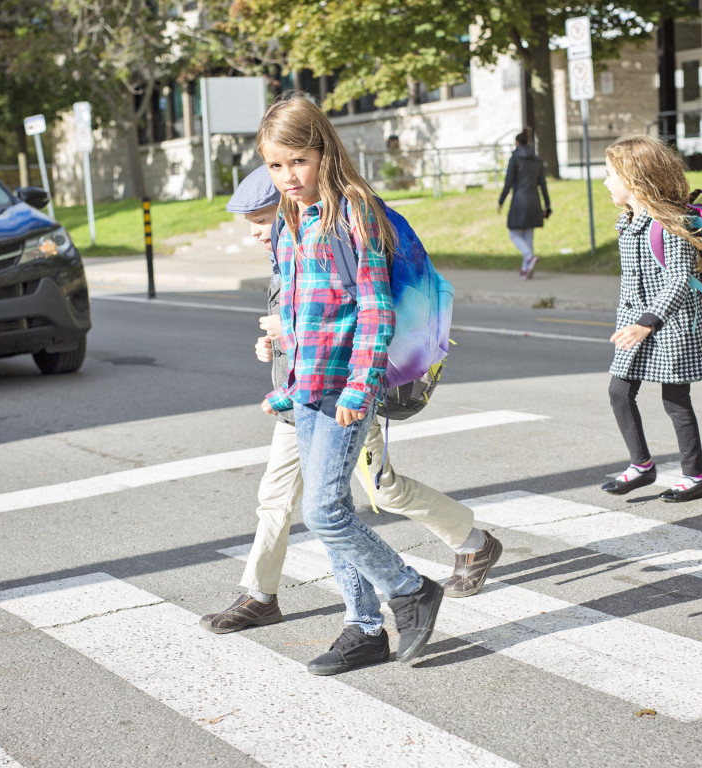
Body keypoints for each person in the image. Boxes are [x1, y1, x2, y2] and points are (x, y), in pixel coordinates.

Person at [201, 167, 502, 648]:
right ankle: (263, 595)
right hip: (299, 399)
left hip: (344, 395)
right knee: (277, 500)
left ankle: (472, 544)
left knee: (379, 491)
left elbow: (355, 316)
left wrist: (290, 336)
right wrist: (273, 344)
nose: (255, 232)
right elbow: (300, 322)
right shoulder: (286, 250)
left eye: (259, 219)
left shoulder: (332, 232)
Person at [252, 93, 448, 675]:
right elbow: (300, 307)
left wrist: (361, 388)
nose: (288, 175)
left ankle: (409, 589)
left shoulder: (352, 212)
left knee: (325, 511)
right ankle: (363, 629)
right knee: (328, 510)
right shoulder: (291, 219)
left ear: (325, 152)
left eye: (299, 161)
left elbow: (373, 309)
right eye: (276, 165)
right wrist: (282, 359)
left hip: (344, 390)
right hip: (307, 387)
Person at [599, 134, 702, 503]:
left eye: (608, 174)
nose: (605, 183)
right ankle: (642, 465)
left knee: (676, 401)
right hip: (636, 323)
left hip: (671, 324)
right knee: (619, 391)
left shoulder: (669, 223)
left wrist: (649, 320)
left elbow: (680, 278)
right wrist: (630, 322)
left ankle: (695, 476)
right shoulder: (627, 221)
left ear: (633, 179)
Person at [497, 129, 552, 280]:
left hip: (519, 200)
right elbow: (543, 183)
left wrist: (501, 201)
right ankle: (525, 269)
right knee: (528, 235)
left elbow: (508, 183)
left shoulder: (514, 158)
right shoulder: (537, 159)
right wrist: (547, 204)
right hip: (534, 200)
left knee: (514, 233)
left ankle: (529, 256)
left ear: (517, 143)